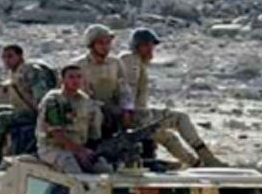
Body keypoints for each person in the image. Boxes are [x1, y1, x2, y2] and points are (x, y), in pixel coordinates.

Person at [119, 28, 225, 167]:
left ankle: (196, 163)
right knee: (180, 119)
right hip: (136, 116)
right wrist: (128, 115)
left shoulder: (137, 62)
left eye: (151, 46)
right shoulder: (131, 61)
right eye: (145, 45)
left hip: (138, 115)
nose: (150, 50)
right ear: (136, 46)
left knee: (168, 137)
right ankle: (207, 159)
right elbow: (127, 91)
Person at [36, 65, 112, 174]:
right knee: (72, 168)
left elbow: (93, 130)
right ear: (63, 80)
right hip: (53, 148)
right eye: (71, 77)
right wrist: (79, 151)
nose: (76, 80)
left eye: (79, 77)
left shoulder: (84, 100)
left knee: (104, 169)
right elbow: (56, 133)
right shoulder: (53, 100)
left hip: (79, 148)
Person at [71, 25, 134, 137]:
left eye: (108, 42)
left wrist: (126, 109)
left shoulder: (115, 63)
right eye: (101, 43)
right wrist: (101, 106)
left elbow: (124, 89)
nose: (106, 47)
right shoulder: (79, 65)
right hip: (88, 109)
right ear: (91, 45)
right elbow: (76, 95)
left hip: (113, 107)